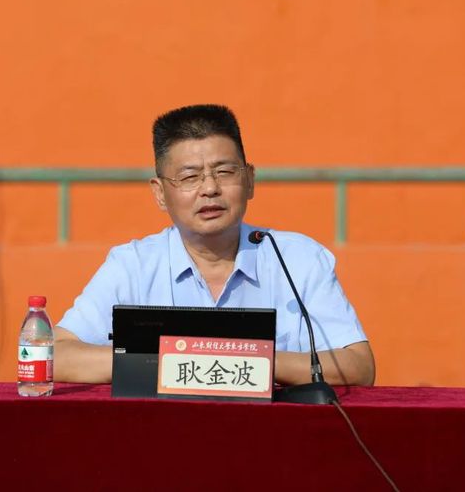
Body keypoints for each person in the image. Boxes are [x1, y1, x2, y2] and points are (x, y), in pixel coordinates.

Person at [54, 104, 375, 386]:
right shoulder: (133, 265)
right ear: (160, 193)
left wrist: (249, 361)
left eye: (224, 172)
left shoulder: (298, 260)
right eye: (190, 177)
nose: (210, 188)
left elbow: (358, 366)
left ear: (249, 180)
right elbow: (56, 354)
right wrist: (171, 361)